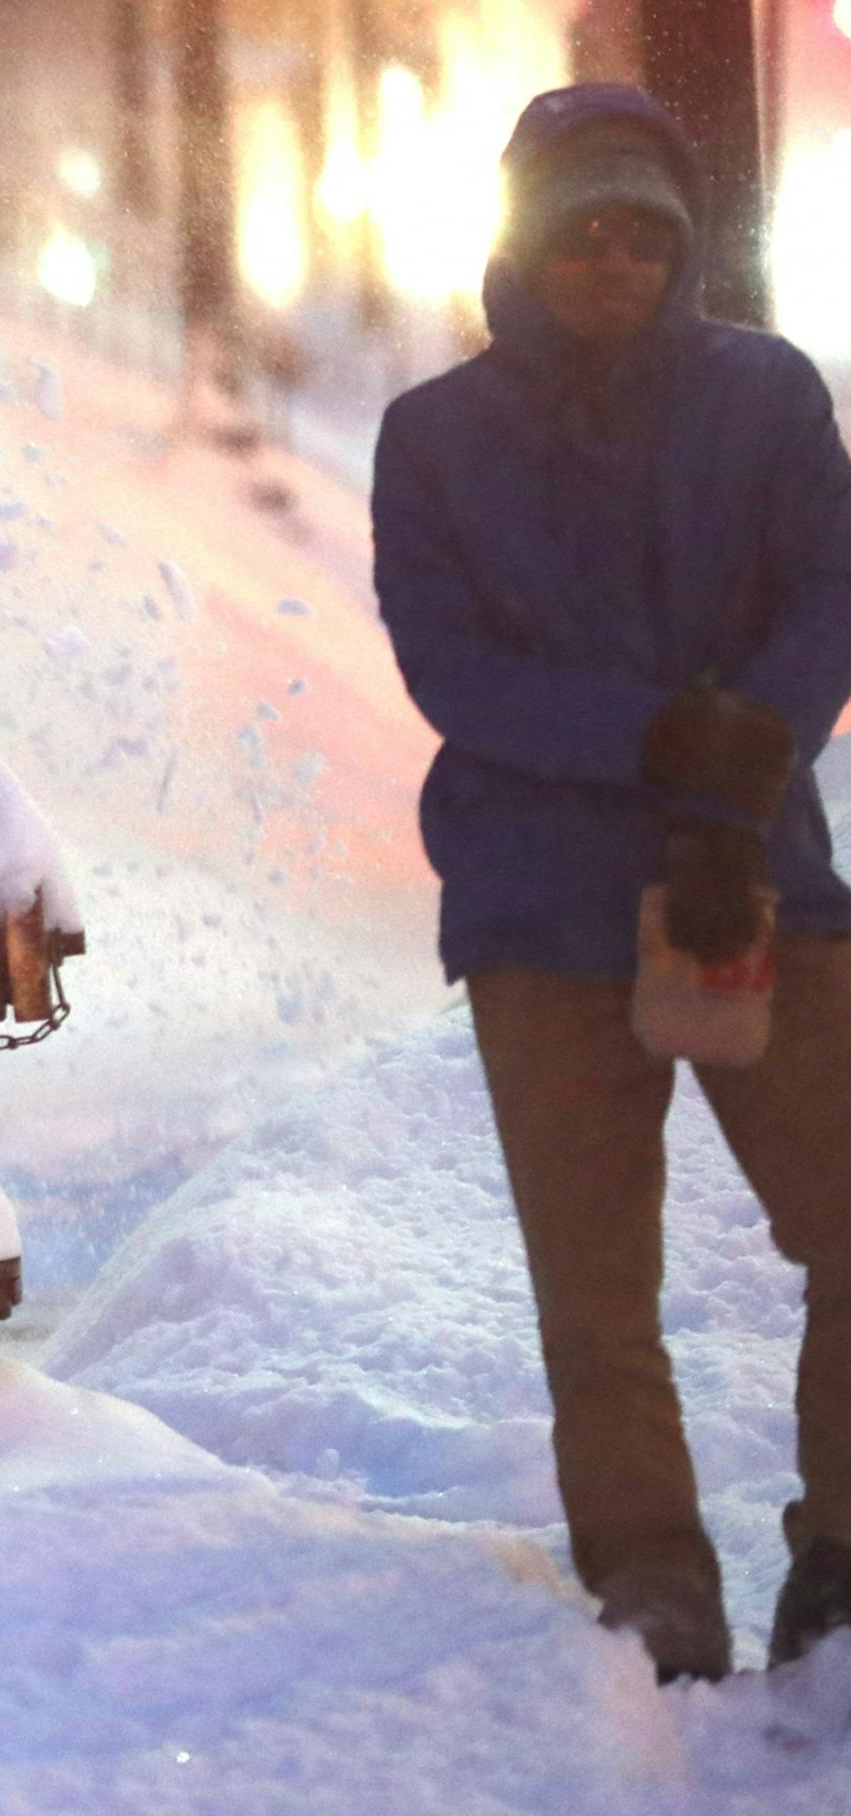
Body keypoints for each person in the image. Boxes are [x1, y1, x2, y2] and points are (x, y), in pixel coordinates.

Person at [372, 83, 851, 1684]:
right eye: (583, 228)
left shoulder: (768, 397)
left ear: (682, 246)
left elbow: (829, 594)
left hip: (765, 887)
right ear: (524, 239)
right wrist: (665, 738)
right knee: (599, 1299)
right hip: (543, 916)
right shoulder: (433, 440)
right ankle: (653, 1579)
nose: (616, 260)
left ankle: (843, 1559)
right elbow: (456, 672)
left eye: (646, 232)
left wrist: (745, 771)